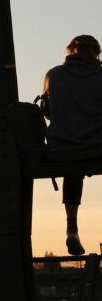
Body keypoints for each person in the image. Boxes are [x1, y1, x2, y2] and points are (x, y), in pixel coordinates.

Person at [41, 34, 102, 256]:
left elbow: (47, 111)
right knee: (83, 155)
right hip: (97, 148)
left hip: (61, 150)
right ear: (96, 53)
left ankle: (72, 227)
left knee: (72, 169)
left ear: (70, 51)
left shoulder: (53, 75)